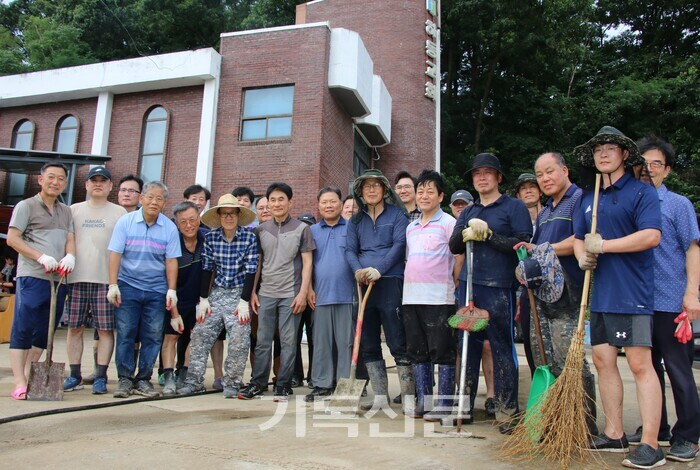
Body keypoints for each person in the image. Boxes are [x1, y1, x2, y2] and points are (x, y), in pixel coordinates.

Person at [572, 126, 663, 469]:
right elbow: (579, 237)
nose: (603, 154)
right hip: (600, 295)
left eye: (611, 148)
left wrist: (605, 246)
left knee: (640, 365)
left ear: (625, 155)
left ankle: (651, 445)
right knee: (602, 362)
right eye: (598, 149)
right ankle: (614, 433)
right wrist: (583, 255)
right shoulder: (587, 196)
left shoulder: (641, 192)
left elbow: (651, 236)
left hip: (632, 294)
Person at [503, 152, 598, 434]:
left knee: (570, 361)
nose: (545, 178)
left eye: (549, 172)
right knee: (544, 360)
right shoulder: (545, 211)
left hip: (569, 297)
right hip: (541, 298)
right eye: (540, 174)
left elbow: (582, 240)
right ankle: (553, 422)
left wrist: (542, 250)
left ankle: (584, 425)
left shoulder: (580, 200)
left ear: (565, 170)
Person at [627, 136, 700, 462]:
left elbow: (693, 248)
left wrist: (692, 293)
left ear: (667, 170)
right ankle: (659, 428)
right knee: (646, 369)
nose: (649, 169)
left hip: (670, 300)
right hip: (637, 301)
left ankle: (689, 435)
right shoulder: (631, 203)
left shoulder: (678, 205)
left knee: (678, 369)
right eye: (644, 163)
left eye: (656, 164)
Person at [449, 153, 532, 419]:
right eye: (477, 174)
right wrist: (465, 235)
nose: (482, 177)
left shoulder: (514, 207)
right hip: (469, 287)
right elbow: (453, 245)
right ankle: (464, 407)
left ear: (498, 177)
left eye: (487, 173)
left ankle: (507, 408)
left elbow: (522, 244)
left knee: (501, 346)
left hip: (499, 287)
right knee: (467, 345)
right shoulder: (469, 210)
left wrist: (490, 236)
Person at [238, 183, 315, 402]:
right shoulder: (260, 230)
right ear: (267, 203)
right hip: (266, 294)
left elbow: (307, 263)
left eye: (281, 199)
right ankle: (258, 383)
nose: (277, 204)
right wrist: (253, 292)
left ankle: (283, 385)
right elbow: (257, 264)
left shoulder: (302, 229)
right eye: (272, 200)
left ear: (290, 202)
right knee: (262, 340)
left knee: (289, 341)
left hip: (291, 295)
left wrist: (302, 293)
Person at [345, 169, 413, 412]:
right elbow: (350, 250)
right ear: (360, 192)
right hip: (363, 284)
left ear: (385, 190)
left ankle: (408, 397)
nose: (371, 189)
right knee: (368, 341)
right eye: (366, 186)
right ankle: (380, 397)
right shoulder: (356, 221)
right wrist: (358, 270)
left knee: (397, 339)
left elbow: (399, 245)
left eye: (376, 185)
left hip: (390, 281)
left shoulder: (397, 216)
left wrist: (379, 269)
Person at [7, 161, 75, 400]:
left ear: (65, 183)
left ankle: (29, 372)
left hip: (58, 280)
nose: (55, 182)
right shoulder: (26, 206)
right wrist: (40, 256)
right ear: (41, 179)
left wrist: (70, 256)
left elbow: (69, 238)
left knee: (46, 329)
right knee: (24, 326)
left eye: (60, 179)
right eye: (51, 177)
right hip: (32, 276)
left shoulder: (66, 211)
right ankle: (18, 380)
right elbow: (13, 239)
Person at [177, 195, 258, 397]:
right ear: (219, 216)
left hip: (239, 292)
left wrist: (244, 301)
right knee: (200, 334)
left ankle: (232, 383)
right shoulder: (212, 238)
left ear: (238, 215)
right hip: (217, 292)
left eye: (232, 213)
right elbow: (207, 268)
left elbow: (250, 270)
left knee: (239, 338)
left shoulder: (249, 237)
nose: (228, 217)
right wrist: (203, 299)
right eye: (224, 214)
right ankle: (194, 381)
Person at [108, 181, 181, 398]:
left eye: (159, 199)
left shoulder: (169, 227)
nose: (154, 202)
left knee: (152, 336)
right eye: (150, 197)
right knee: (126, 333)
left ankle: (143, 379)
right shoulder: (126, 222)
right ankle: (124, 379)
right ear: (141, 199)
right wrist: (113, 285)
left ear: (165, 203)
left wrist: (171, 290)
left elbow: (171, 261)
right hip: (128, 286)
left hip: (156, 290)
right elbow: (115, 254)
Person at [63, 167, 126, 395]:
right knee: (74, 328)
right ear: (86, 185)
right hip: (76, 279)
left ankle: (100, 375)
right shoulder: (72, 210)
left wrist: (115, 282)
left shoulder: (120, 213)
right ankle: (74, 374)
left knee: (106, 330)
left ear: (111, 186)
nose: (98, 184)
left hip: (106, 281)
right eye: (94, 181)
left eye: (103, 181)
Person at [402, 170, 457, 420]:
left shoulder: (449, 223)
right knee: (417, 351)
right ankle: (424, 403)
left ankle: (445, 404)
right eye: (420, 190)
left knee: (442, 350)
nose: (424, 196)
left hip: (439, 299)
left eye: (430, 191)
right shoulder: (411, 227)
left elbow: (459, 258)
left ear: (441, 196)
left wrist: (450, 284)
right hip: (411, 297)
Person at [82, 173, 144, 387]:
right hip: (105, 281)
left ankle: (129, 374)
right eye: (123, 190)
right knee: (102, 328)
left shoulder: (143, 219)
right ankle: (99, 371)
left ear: (140, 196)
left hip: (133, 282)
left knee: (131, 331)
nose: (127, 194)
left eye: (132, 191)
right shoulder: (108, 214)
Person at [305, 188, 355, 402]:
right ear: (318, 205)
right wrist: (308, 288)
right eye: (324, 202)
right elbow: (306, 263)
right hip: (321, 295)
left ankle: (345, 385)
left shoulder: (352, 228)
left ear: (340, 204)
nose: (328, 205)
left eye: (333, 201)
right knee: (322, 342)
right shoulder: (312, 231)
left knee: (346, 343)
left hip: (348, 295)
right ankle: (322, 384)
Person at [159, 201, 206, 395]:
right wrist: (174, 313)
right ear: (177, 223)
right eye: (183, 221)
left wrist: (204, 300)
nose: (189, 225)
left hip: (198, 302)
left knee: (195, 337)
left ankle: (184, 373)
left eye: (192, 220)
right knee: (171, 336)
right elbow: (168, 282)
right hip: (175, 299)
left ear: (199, 218)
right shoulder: (172, 242)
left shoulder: (207, 240)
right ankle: (168, 376)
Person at [512, 173, 542, 380]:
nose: (529, 191)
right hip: (521, 285)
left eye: (533, 186)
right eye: (524, 188)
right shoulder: (514, 220)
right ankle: (536, 382)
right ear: (518, 194)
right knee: (529, 338)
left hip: (550, 285)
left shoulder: (550, 214)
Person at [293, 213, 317, 388]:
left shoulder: (317, 245)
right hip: (294, 295)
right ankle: (295, 375)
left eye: (308, 226)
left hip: (314, 296)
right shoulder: (294, 247)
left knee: (314, 337)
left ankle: (313, 375)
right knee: (292, 338)